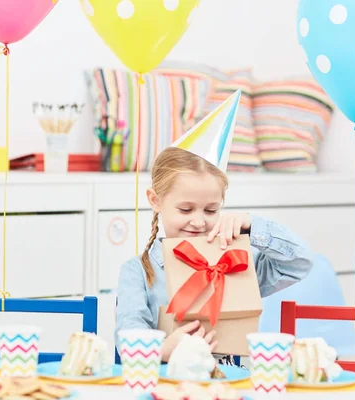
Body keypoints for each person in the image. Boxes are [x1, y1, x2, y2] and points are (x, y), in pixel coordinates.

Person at [114, 91, 315, 364]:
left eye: (211, 210)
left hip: (231, 385)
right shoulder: (137, 272)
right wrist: (162, 350)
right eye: (185, 209)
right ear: (155, 201)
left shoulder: (236, 261)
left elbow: (299, 263)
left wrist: (252, 226)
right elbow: (129, 339)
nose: (198, 221)